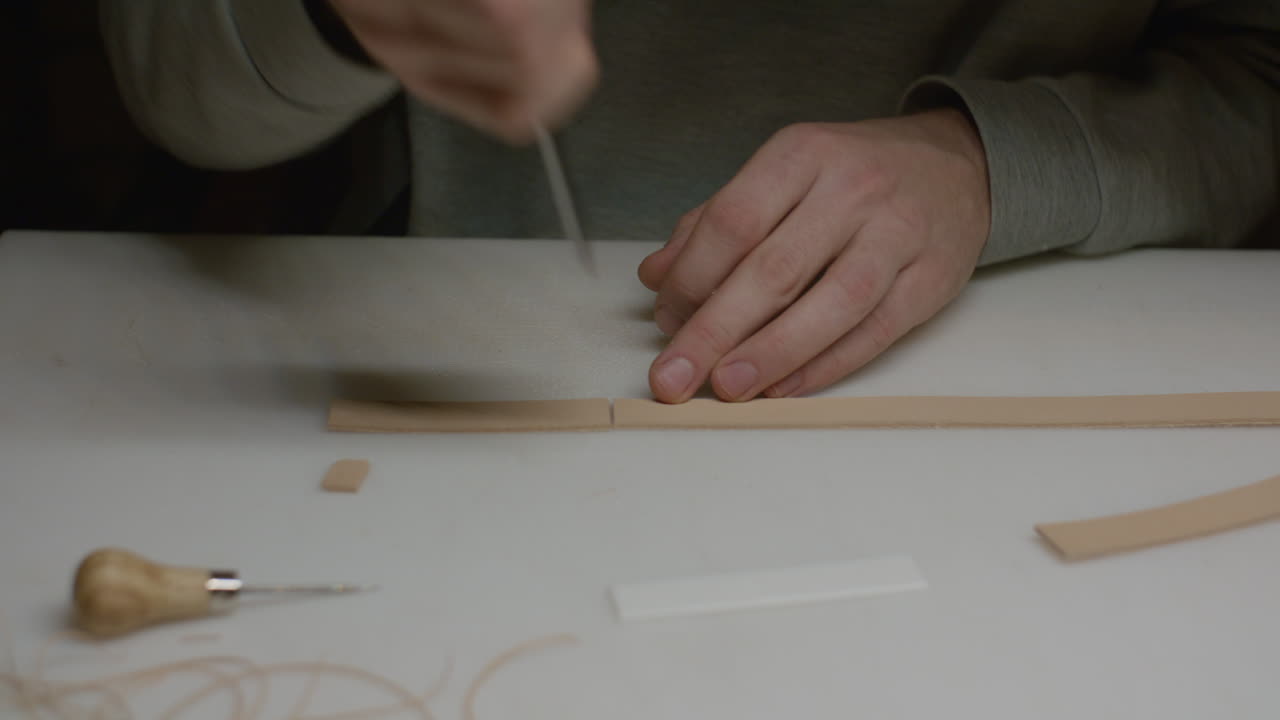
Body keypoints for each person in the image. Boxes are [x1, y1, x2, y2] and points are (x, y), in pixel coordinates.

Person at [99, 0, 1278, 404]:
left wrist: (988, 164)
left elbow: (1251, 80)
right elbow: (177, 84)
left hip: (1052, 338)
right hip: (439, 344)